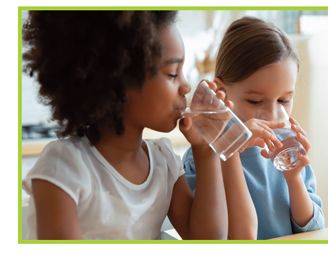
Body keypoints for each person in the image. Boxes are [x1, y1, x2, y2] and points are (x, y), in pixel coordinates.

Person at [22, 11, 231, 240]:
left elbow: (208, 239)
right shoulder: (65, 168)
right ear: (117, 81)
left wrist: (205, 148)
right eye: (172, 74)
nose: (186, 87)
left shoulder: (164, 162)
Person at [183, 17, 325, 239]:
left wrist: (294, 179)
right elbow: (214, 236)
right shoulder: (202, 157)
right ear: (221, 91)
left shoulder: (288, 151)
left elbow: (313, 232)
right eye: (255, 102)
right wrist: (232, 144)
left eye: (284, 100)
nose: (273, 115)